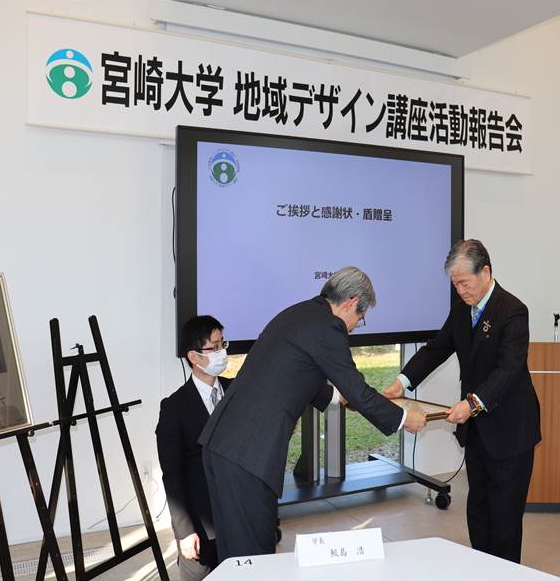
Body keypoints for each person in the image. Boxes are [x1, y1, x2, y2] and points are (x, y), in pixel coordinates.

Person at [199, 267, 427, 563]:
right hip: (248, 454)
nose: (356, 326)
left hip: (224, 445)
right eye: (361, 317)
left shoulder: (299, 313)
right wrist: (403, 418)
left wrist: (336, 396)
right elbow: (358, 389)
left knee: (235, 553)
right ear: (351, 302)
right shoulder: (329, 327)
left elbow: (296, 369)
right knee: (253, 556)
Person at [384, 239, 541, 564]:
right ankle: (480, 570)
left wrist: (472, 404)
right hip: (477, 430)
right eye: (455, 284)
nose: (460, 290)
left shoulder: (512, 310)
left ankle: (505, 579)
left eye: (464, 283)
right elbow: (437, 349)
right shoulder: (461, 309)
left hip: (510, 430)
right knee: (478, 509)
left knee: (505, 518)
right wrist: (402, 381)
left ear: (486, 272)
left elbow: (507, 370)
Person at [156, 315, 232, 581]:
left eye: (223, 344)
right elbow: (172, 475)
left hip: (238, 516)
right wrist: (185, 532)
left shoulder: (237, 391)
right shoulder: (174, 407)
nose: (222, 352)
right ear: (194, 357)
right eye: (214, 347)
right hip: (202, 525)